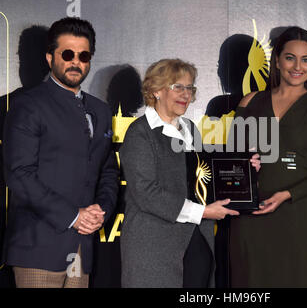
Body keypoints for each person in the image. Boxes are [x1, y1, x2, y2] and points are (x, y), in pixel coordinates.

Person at [119, 59, 259, 288]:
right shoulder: (140, 133)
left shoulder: (190, 130)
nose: (186, 94)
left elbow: (204, 176)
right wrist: (202, 212)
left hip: (196, 240)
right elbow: (146, 193)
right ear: (156, 91)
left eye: (189, 88)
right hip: (153, 246)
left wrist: (244, 169)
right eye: (178, 87)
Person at [2, 17, 119, 288]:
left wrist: (101, 210)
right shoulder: (28, 105)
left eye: (83, 55)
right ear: (49, 57)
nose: (75, 62)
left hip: (83, 248)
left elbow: (108, 169)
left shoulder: (100, 110)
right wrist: (74, 216)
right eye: (67, 54)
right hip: (38, 247)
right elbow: (20, 175)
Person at [228, 26, 307, 287]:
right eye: (290, 57)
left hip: (295, 219)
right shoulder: (249, 102)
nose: (297, 66)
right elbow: (231, 161)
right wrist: (243, 175)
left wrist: (286, 195)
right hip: (250, 218)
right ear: (277, 60)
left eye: (306, 59)